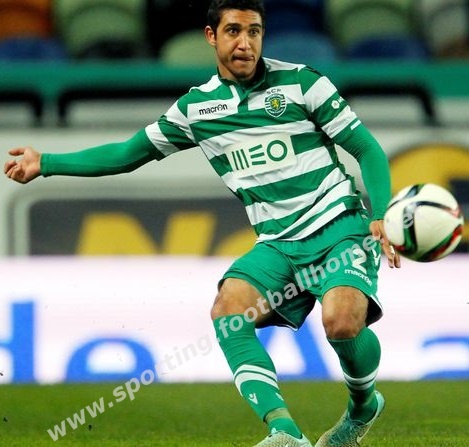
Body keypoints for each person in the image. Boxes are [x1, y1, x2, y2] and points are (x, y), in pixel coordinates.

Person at [4, 0, 401, 446]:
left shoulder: (303, 83)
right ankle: (284, 432)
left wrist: (380, 215)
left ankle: (363, 406)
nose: (245, 43)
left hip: (339, 226)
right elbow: (127, 154)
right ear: (211, 36)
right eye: (233, 31)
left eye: (254, 31)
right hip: (277, 244)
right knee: (228, 312)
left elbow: (367, 149)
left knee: (342, 322)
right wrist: (47, 163)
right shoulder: (197, 109)